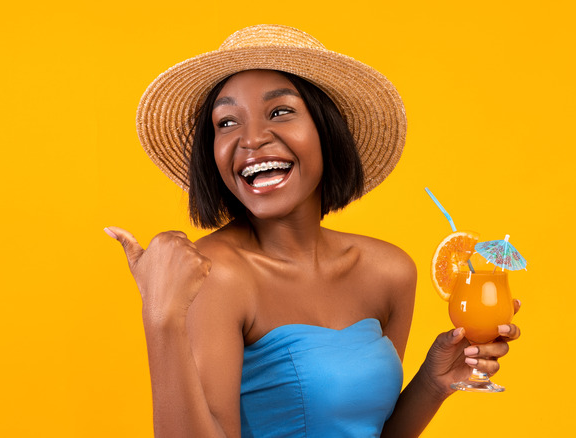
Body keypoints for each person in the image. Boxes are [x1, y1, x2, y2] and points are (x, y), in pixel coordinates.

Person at [104, 24, 521, 437]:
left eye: (279, 112)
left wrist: (432, 382)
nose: (251, 139)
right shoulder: (215, 274)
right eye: (226, 122)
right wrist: (161, 317)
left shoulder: (390, 272)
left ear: (326, 129)